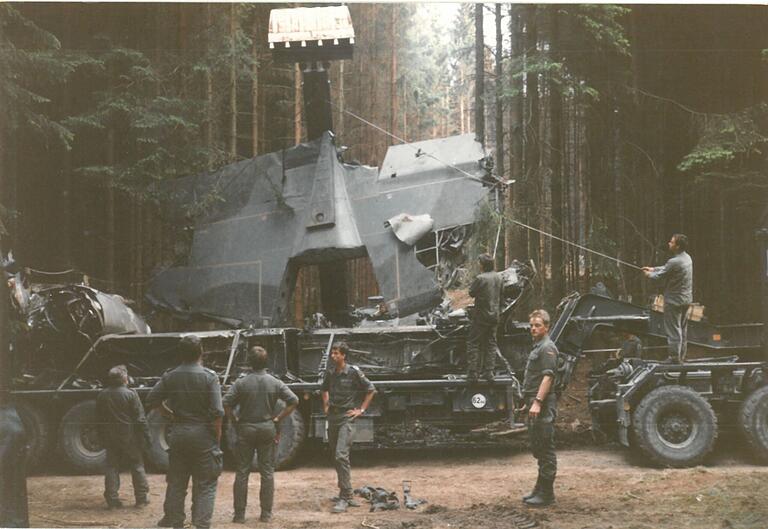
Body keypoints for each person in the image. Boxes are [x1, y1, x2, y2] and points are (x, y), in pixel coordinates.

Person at [146, 335, 224, 529]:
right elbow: (217, 412)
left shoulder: (170, 376)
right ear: (201, 352)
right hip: (203, 434)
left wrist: (169, 414)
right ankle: (201, 524)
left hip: (178, 433)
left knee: (176, 482)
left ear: (180, 353)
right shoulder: (210, 377)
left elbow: (152, 399)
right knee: (205, 483)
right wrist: (217, 434)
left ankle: (175, 522)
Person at [223, 346, 299, 524]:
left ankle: (239, 515)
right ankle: (265, 514)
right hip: (267, 428)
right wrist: (278, 418)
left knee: (242, 472)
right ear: (267, 362)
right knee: (267, 472)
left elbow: (226, 403)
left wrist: (234, 420)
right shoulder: (274, 382)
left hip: (245, 429)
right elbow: (293, 401)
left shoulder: (241, 383)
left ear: (249, 363)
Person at [321, 341, 375, 513]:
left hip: (346, 418)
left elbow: (371, 389)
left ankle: (345, 498)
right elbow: (324, 389)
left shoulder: (353, 372)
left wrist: (361, 410)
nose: (333, 356)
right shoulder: (330, 373)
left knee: (340, 455)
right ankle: (347, 493)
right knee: (336, 456)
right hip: (333, 417)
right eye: (333, 353)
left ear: (344, 355)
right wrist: (326, 405)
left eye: (337, 353)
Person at [95, 365, 150, 509]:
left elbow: (98, 419)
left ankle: (112, 501)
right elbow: (140, 418)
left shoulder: (102, 395)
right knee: (137, 466)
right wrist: (147, 436)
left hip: (110, 437)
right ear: (124, 378)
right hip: (129, 437)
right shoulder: (131, 394)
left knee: (112, 467)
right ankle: (141, 499)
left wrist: (101, 437)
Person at [520, 309, 559, 507]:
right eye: (532, 325)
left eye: (537, 325)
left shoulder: (547, 348)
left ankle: (547, 495)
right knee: (538, 447)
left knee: (545, 448)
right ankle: (539, 489)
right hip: (535, 403)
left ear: (547, 327)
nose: (533, 329)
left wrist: (537, 402)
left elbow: (548, 377)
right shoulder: (537, 347)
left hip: (542, 405)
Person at [642, 233, 693, 363]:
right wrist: (653, 268)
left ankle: (674, 358)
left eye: (671, 242)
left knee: (673, 330)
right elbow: (666, 269)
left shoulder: (674, 261)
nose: (669, 243)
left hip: (674, 301)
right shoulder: (687, 258)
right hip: (686, 300)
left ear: (677, 246)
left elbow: (659, 276)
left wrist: (648, 275)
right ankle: (682, 355)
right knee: (682, 329)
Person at [466, 253, 503, 382]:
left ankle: (473, 373)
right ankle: (489, 372)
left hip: (481, 316)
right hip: (494, 316)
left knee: (473, 343)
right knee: (491, 343)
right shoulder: (498, 277)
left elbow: (471, 292)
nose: (478, 265)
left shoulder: (480, 278)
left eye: (479, 263)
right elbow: (501, 294)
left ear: (483, 265)